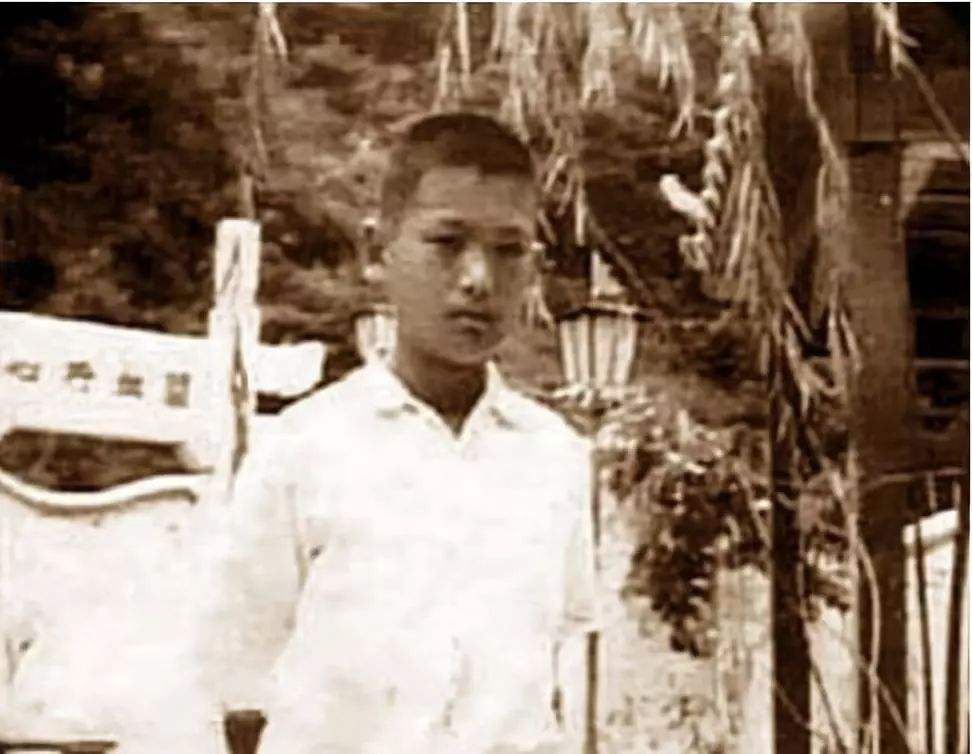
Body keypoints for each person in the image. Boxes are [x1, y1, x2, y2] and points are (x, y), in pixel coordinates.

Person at [210, 113, 598, 754]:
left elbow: (549, 666)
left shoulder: (556, 457)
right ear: (377, 252)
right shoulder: (306, 447)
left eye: (508, 250)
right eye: (447, 242)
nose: (478, 279)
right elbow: (237, 680)